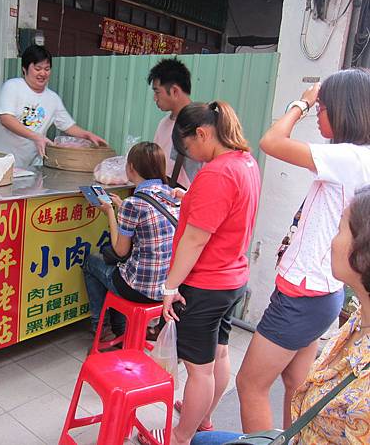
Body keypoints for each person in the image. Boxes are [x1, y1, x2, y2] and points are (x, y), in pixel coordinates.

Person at [236, 68, 370, 433]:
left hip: (303, 294)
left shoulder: (349, 157)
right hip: (321, 292)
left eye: (322, 108)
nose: (318, 114)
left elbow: (271, 141)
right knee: (297, 384)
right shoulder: (357, 157)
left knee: (250, 385)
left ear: (343, 110)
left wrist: (301, 103)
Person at [191, 185, 370, 445]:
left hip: (300, 300)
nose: (332, 240)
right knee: (297, 382)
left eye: (340, 229)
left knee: (251, 384)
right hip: (316, 302)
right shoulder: (359, 317)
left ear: (363, 252)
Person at [138, 101, 261, 445]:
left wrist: (169, 287)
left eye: (188, 146)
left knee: (198, 369)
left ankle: (179, 437)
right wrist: (191, 196)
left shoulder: (217, 173)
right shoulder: (245, 162)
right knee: (219, 353)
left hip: (206, 283)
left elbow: (194, 240)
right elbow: (228, 209)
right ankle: (203, 417)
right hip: (232, 278)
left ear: (203, 134)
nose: (190, 154)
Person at [82, 142, 175, 337]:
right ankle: (120, 326)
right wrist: (122, 206)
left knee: (91, 262)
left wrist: (110, 211)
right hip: (167, 288)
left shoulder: (133, 204)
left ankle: (102, 327)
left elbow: (120, 251)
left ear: (131, 167)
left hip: (140, 290)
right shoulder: (172, 195)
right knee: (119, 270)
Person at [0, 45, 106, 168]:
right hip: (0, 161)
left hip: (28, 166)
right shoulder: (13, 86)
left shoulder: (53, 98)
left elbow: (68, 126)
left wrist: (87, 135)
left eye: (47, 69)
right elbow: (6, 119)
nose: (43, 73)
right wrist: (36, 137)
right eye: (38, 68)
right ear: (24, 69)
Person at [148, 58, 202, 188]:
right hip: (165, 194)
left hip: (191, 196)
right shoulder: (163, 124)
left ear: (174, 91)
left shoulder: (201, 124)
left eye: (157, 92)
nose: (155, 98)